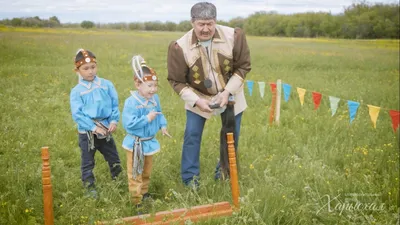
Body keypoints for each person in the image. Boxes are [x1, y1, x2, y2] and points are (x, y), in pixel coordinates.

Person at [167, 2, 251, 188]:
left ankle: (223, 175)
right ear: (192, 22)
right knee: (192, 135)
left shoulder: (234, 36)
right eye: (201, 24)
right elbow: (176, 81)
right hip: (197, 96)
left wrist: (227, 92)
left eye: (210, 23)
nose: (205, 29)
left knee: (230, 135)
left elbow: (243, 66)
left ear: (215, 21)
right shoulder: (179, 47)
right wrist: (197, 101)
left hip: (231, 93)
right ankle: (190, 180)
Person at [70, 49, 122, 198]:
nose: (90, 71)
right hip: (88, 133)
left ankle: (118, 181)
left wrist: (113, 120)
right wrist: (93, 127)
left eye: (93, 67)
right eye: (86, 69)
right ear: (77, 70)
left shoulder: (106, 85)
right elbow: (77, 114)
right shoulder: (77, 91)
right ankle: (89, 187)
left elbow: (114, 105)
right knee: (87, 161)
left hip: (105, 130)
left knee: (113, 157)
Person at [122, 55, 170, 207]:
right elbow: (129, 124)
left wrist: (162, 125)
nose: (153, 89)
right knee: (135, 172)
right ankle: (136, 201)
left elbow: (160, 113)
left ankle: (144, 192)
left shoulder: (155, 99)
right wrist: (147, 119)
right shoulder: (131, 102)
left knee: (146, 171)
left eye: (155, 85)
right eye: (149, 85)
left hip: (149, 142)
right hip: (136, 144)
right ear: (138, 84)